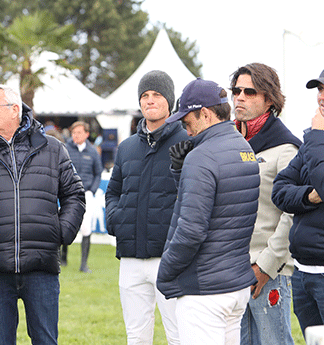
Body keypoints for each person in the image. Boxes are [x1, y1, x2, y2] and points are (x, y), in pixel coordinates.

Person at [0, 84, 85, 345]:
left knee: (46, 341)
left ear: (15, 109)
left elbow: (74, 195)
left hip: (42, 267)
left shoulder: (53, 149)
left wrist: (60, 233)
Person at [156, 78, 260, 345]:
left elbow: (191, 230)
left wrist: (165, 271)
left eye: (187, 122)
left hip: (205, 290)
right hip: (234, 284)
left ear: (205, 113)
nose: (186, 130)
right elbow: (221, 207)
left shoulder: (202, 156)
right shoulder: (244, 147)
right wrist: (181, 172)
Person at [105, 70, 186, 344]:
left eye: (157, 95)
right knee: (136, 336)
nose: (150, 100)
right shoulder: (127, 147)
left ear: (170, 101)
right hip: (130, 257)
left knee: (179, 334)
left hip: (170, 257)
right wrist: (116, 220)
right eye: (145, 95)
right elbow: (113, 191)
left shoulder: (187, 143)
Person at [272, 61, 324, 337]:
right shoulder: (315, 140)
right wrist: (309, 195)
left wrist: (318, 135)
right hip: (303, 271)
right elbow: (279, 190)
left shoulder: (316, 137)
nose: (322, 96)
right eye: (320, 89)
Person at [230, 63, 301, 345]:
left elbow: (292, 214)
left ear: (269, 99)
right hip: (232, 271)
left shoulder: (287, 148)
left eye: (249, 91)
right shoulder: (229, 142)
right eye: (236, 90)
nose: (240, 97)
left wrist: (265, 266)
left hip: (269, 271)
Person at [64, 121, 102, 273]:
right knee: (65, 224)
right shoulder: (66, 149)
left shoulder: (93, 152)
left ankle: (83, 264)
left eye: (79, 133)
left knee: (86, 227)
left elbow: (98, 172)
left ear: (86, 134)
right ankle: (63, 258)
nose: (76, 136)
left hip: (86, 193)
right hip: (68, 193)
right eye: (74, 133)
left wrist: (92, 190)